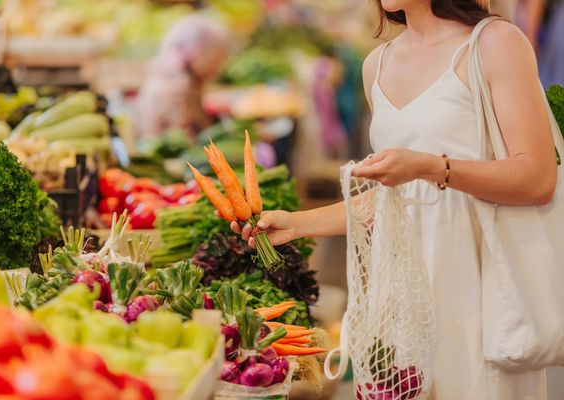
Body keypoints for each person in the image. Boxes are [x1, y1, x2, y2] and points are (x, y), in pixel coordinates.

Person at [231, 0, 557, 398]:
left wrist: (431, 167)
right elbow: (390, 198)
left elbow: (537, 177)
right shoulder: (377, 65)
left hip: (480, 281)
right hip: (402, 293)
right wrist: (298, 224)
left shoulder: (494, 43)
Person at [134, 15, 230, 138]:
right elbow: (181, 138)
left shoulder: (186, 78)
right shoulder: (175, 86)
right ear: (199, 52)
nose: (219, 66)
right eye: (217, 57)